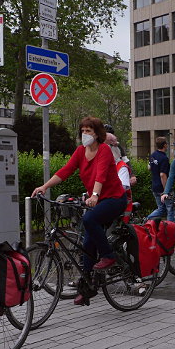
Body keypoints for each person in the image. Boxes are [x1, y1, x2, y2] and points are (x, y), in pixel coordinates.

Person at [33, 117, 126, 305]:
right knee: (87, 245)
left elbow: (100, 174)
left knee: (89, 220)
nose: (85, 134)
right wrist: (44, 186)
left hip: (114, 199)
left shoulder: (104, 150)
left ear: (97, 133)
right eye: (83, 130)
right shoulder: (80, 151)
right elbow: (65, 170)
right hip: (97, 200)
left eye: (89, 131)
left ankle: (109, 256)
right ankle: (88, 288)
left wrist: (94, 196)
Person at [147, 136, 174, 221]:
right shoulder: (164, 158)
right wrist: (166, 190)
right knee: (170, 209)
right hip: (162, 187)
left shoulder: (153, 155)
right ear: (165, 145)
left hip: (154, 186)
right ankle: (171, 228)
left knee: (161, 209)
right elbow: (162, 175)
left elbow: (149, 167)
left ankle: (147, 219)